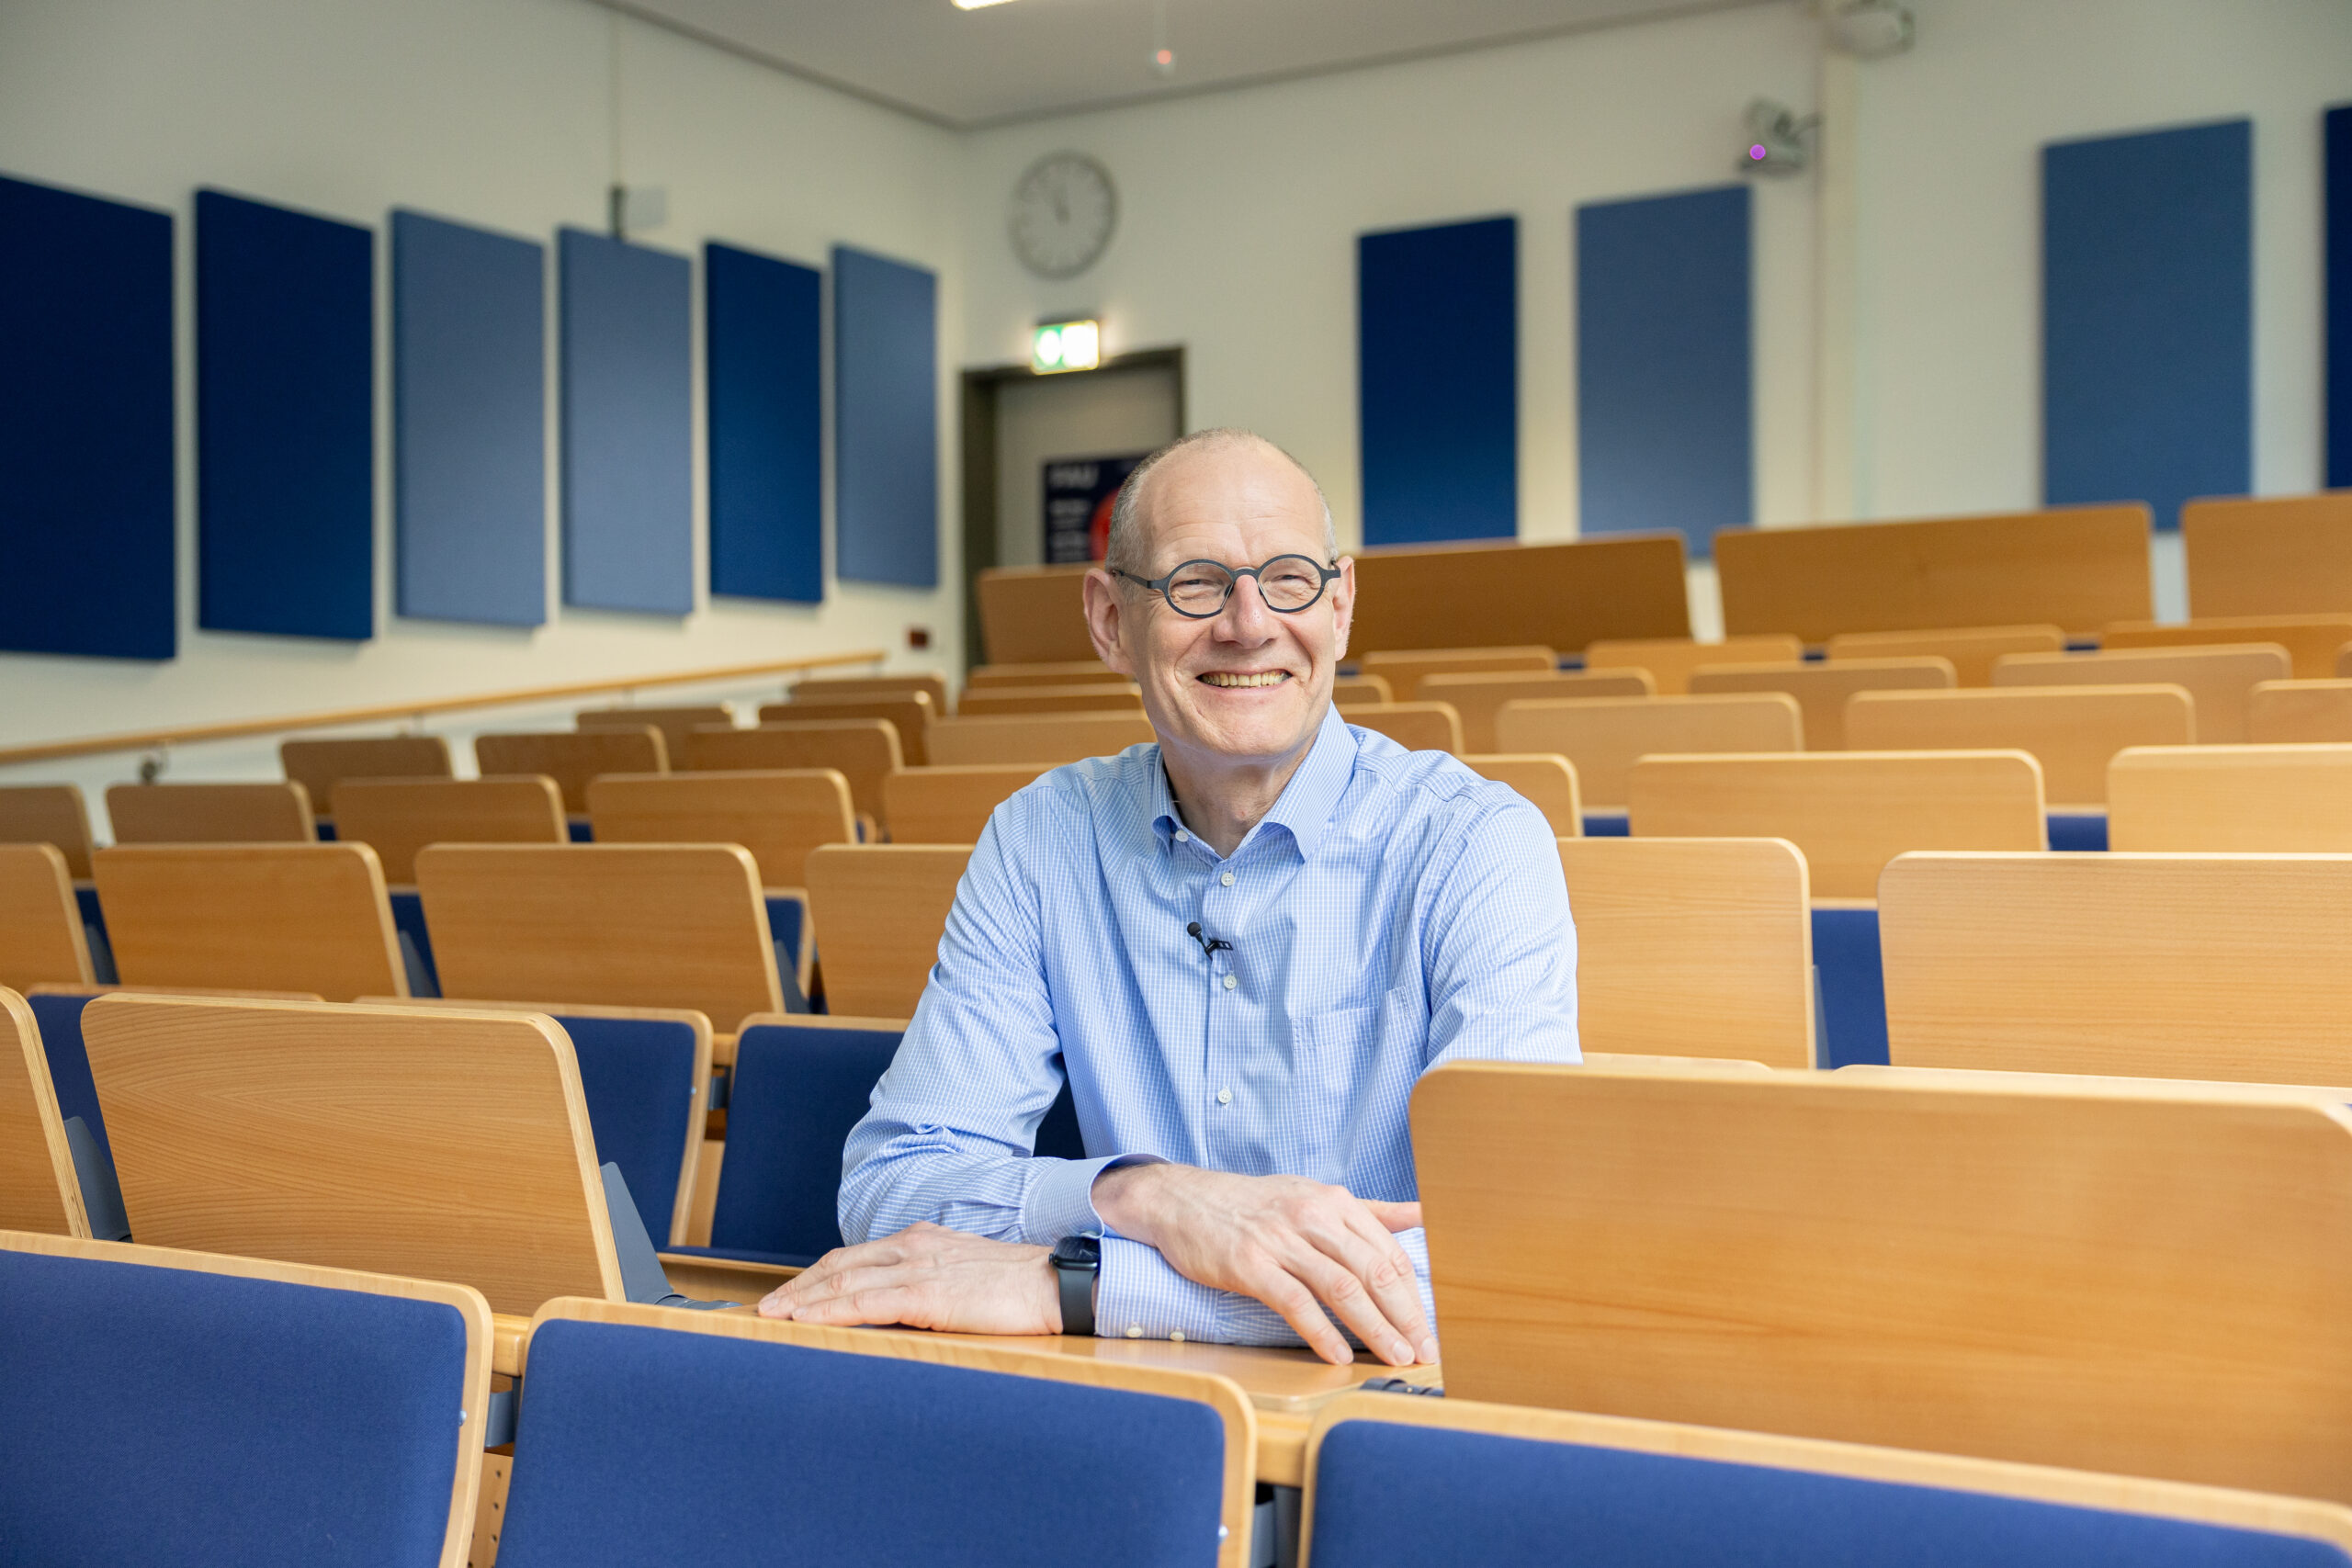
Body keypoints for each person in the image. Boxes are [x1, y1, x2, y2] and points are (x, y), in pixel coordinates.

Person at [759, 428, 1579, 1366]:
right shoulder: (1040, 839)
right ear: (1110, 620)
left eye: (1289, 579)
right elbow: (894, 1182)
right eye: (1195, 581)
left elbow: (1504, 1261)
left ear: (1340, 606)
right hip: (1131, 1404)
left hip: (1387, 1417)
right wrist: (1140, 1196)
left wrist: (1071, 1284)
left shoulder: (1475, 845)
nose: (1248, 623)